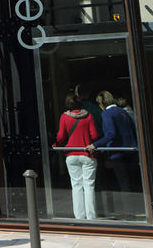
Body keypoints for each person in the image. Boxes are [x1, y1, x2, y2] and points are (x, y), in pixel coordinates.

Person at [87, 91, 140, 217]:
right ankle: (132, 211)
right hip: (130, 151)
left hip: (117, 153)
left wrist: (95, 145)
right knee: (130, 182)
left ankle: (128, 213)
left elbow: (110, 134)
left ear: (102, 103)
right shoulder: (123, 112)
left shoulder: (107, 114)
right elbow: (133, 130)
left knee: (122, 182)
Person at [56, 92, 100, 220]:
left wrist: (56, 144)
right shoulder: (88, 116)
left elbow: (60, 136)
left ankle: (79, 216)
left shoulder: (64, 117)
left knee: (76, 186)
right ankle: (91, 216)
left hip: (71, 154)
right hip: (87, 153)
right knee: (89, 185)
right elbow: (95, 136)